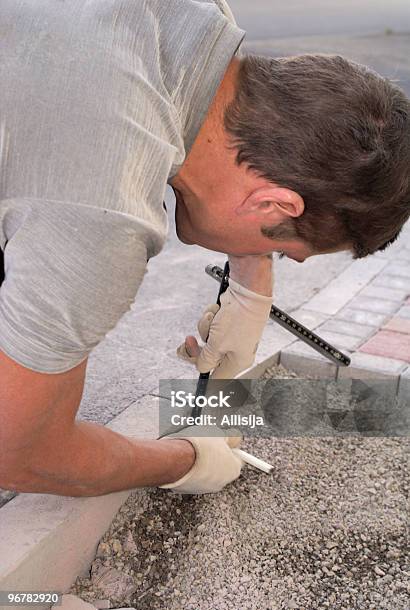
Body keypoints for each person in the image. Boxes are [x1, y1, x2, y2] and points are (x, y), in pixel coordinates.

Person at [0, 0, 409, 497]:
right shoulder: (106, 215)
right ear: (274, 203)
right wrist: (190, 460)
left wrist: (249, 291)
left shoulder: (195, 21)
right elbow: (20, 455)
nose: (270, 257)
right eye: (280, 251)